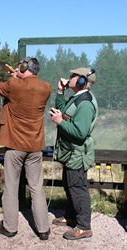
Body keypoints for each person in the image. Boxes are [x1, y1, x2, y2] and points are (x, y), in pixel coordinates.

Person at [0, 56, 52, 240]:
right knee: (37, 187)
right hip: (35, 146)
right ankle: (44, 229)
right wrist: (17, 75)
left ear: (23, 67)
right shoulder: (46, 87)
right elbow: (27, 88)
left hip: (15, 146)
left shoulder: (14, 85)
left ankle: (10, 227)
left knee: (12, 188)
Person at [49, 67, 98, 240]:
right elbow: (63, 109)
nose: (69, 78)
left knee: (78, 189)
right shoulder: (77, 98)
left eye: (73, 76)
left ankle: (84, 226)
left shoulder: (85, 103)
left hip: (77, 154)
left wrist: (60, 122)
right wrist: (60, 92)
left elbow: (80, 132)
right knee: (69, 184)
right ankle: (71, 216)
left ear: (82, 81)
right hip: (71, 152)